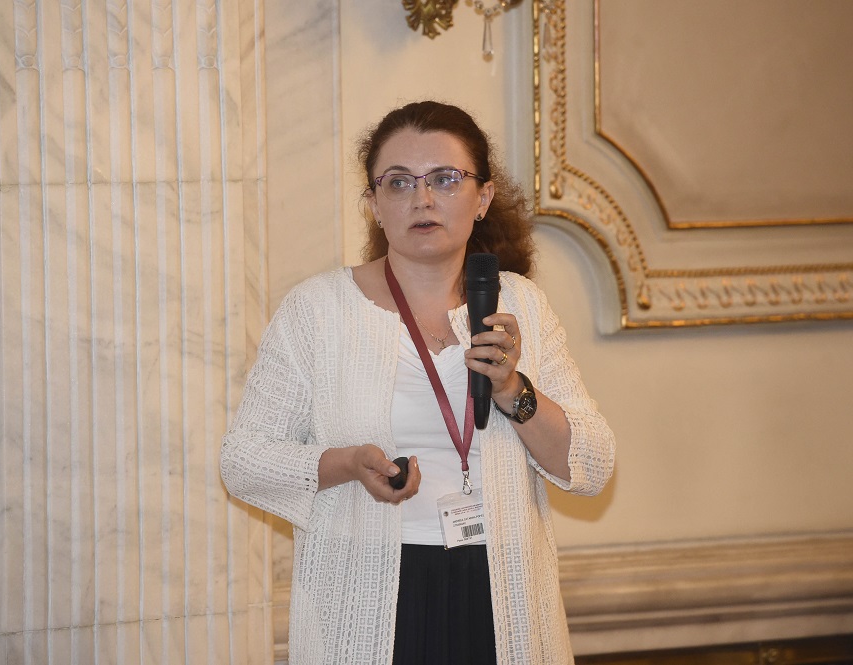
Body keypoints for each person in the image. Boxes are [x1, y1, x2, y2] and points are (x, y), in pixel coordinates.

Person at [220, 100, 615, 664]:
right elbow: (243, 462)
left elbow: (592, 467)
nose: (423, 199)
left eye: (445, 179)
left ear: (483, 198)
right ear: (374, 205)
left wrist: (512, 389)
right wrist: (347, 463)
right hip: (369, 593)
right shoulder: (319, 310)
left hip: (502, 592)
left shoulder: (522, 304)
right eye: (400, 182)